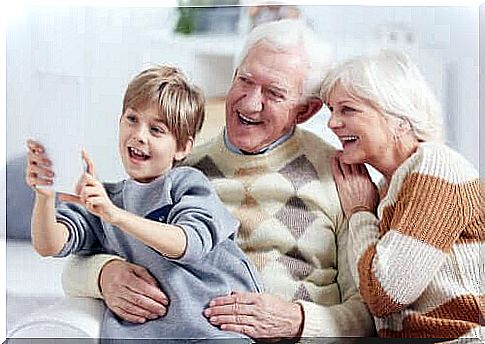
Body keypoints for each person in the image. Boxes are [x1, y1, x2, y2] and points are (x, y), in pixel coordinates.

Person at [61, 19, 375, 340]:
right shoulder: (181, 168)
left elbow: (371, 310)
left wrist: (297, 321)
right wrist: (103, 274)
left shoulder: (341, 177)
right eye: (245, 80)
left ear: (306, 110)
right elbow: (81, 246)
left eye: (274, 93)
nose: (251, 103)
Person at [25, 65, 262, 341]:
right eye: (132, 119)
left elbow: (188, 244)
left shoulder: (186, 184)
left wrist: (116, 216)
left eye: (157, 129)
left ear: (183, 148)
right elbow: (48, 244)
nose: (139, 134)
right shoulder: (105, 199)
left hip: (216, 331)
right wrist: (44, 195)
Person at [321, 50, 483, 340]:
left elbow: (386, 294)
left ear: (399, 120)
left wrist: (359, 213)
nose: (332, 123)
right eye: (331, 110)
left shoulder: (435, 166)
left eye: (347, 109)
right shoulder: (389, 187)